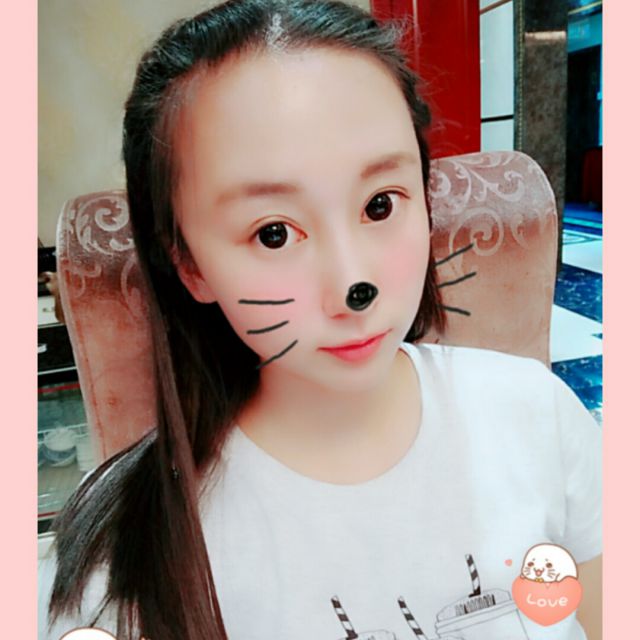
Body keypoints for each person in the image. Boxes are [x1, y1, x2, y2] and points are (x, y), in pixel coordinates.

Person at [38, 1, 602, 639]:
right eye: (274, 233)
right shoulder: (119, 551)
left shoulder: (538, 416)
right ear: (189, 265)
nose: (352, 285)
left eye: (380, 204)